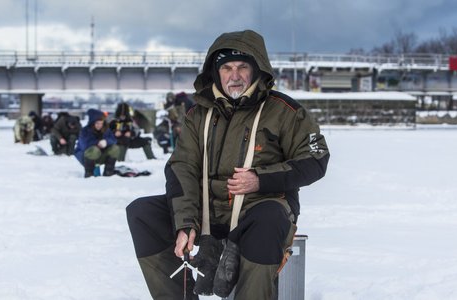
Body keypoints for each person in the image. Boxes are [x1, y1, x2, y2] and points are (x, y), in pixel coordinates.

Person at [126, 29, 330, 300]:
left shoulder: (285, 111)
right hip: (209, 213)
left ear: (257, 70)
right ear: (216, 72)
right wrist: (185, 222)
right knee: (142, 212)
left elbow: (316, 158)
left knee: (268, 220)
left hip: (259, 209)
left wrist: (260, 178)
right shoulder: (197, 114)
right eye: (227, 68)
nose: (234, 76)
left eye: (243, 67)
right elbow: (182, 167)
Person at [74, 109, 119, 178]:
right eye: (97, 123)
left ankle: (108, 173)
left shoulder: (106, 129)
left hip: (100, 155)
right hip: (85, 156)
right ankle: (89, 175)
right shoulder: (85, 131)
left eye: (101, 123)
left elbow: (113, 140)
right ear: (93, 123)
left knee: (114, 148)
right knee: (94, 150)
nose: (99, 125)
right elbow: (84, 145)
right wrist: (97, 143)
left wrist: (106, 142)